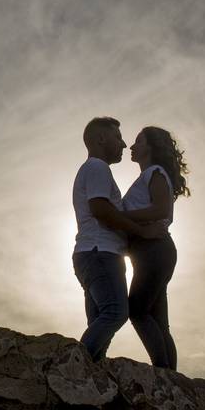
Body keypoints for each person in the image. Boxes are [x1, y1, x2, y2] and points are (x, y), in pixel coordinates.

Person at [72, 117, 166, 361]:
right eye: (118, 137)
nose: (124, 144)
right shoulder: (97, 168)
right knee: (115, 313)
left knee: (100, 325)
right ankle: (72, 369)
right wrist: (143, 231)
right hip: (100, 253)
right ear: (101, 138)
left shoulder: (94, 169)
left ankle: (84, 382)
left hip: (91, 254)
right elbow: (101, 211)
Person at [120, 126, 190, 370]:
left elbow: (162, 210)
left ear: (150, 146)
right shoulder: (149, 175)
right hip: (153, 252)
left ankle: (162, 374)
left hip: (153, 250)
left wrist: (121, 214)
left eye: (138, 141)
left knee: (137, 310)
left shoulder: (155, 172)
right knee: (158, 321)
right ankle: (171, 378)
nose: (132, 146)